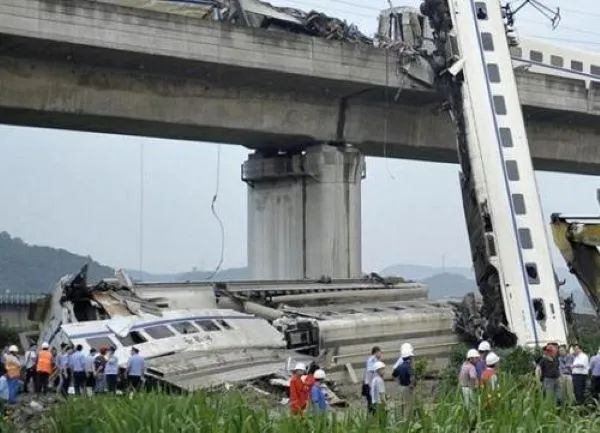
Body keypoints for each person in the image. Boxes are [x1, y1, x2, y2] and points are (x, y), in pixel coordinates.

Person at [392, 343, 415, 418]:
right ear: (409, 357)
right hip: (407, 388)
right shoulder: (409, 367)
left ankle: (400, 420)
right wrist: (412, 385)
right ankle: (407, 421)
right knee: (408, 406)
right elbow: (412, 377)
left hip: (400, 387)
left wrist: (398, 382)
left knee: (401, 404)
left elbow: (393, 375)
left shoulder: (399, 366)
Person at [362, 346, 383, 413]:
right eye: (380, 352)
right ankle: (371, 419)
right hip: (370, 385)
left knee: (373, 403)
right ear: (376, 352)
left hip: (372, 385)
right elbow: (370, 374)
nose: (381, 354)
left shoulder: (376, 360)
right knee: (371, 404)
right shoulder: (372, 360)